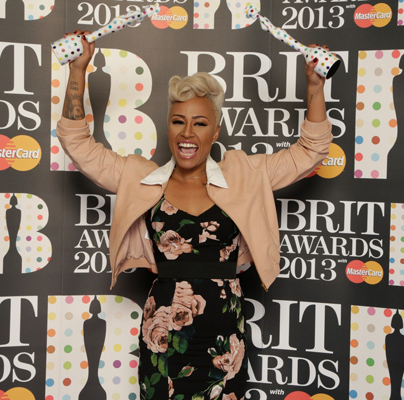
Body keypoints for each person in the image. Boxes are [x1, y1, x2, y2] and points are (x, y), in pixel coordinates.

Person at [57, 30, 333, 400]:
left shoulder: (246, 174)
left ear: (215, 131)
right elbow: (77, 142)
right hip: (163, 331)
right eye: (178, 121)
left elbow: (312, 149)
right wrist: (77, 71)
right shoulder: (141, 178)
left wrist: (315, 85)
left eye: (200, 123)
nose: (187, 133)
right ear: (168, 126)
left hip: (223, 333)